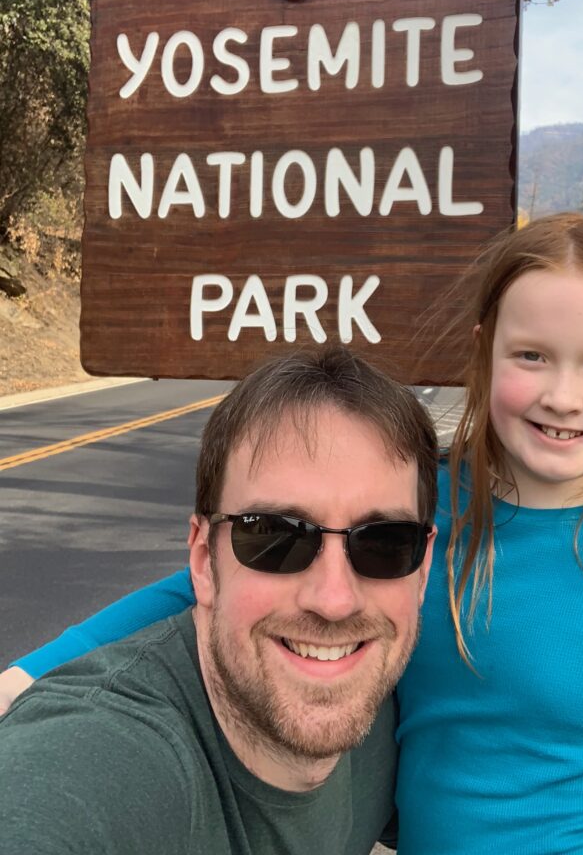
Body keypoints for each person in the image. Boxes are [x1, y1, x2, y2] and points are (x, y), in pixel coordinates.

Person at [2, 219, 583, 849]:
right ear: (485, 352)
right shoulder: (412, 511)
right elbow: (210, 579)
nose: (561, 394)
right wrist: (31, 674)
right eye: (532, 355)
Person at [0, 348, 440, 853]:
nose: (335, 600)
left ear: (422, 566)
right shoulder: (101, 756)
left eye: (384, 542)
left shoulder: (395, 718)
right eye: (274, 535)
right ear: (204, 561)